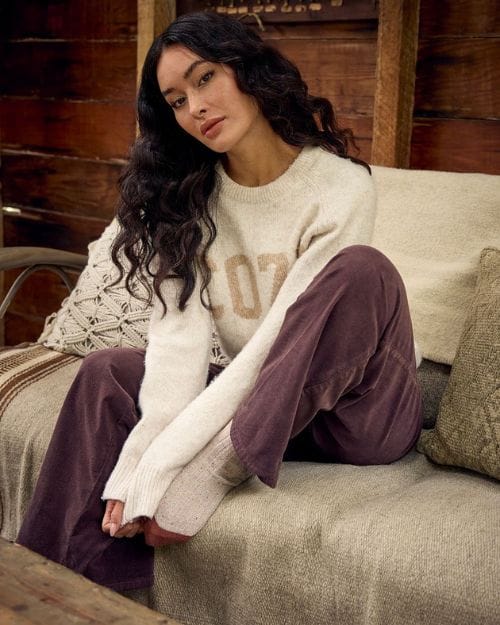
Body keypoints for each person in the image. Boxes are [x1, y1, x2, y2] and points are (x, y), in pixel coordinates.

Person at [17, 12, 422, 591]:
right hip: (267, 411)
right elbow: (178, 348)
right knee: (108, 370)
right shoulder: (189, 200)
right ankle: (57, 588)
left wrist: (188, 469)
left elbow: (279, 345)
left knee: (363, 271)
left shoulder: (338, 185)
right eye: (176, 100)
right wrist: (138, 464)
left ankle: (224, 464)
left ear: (247, 71)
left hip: (358, 415)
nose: (196, 107)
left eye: (204, 78)